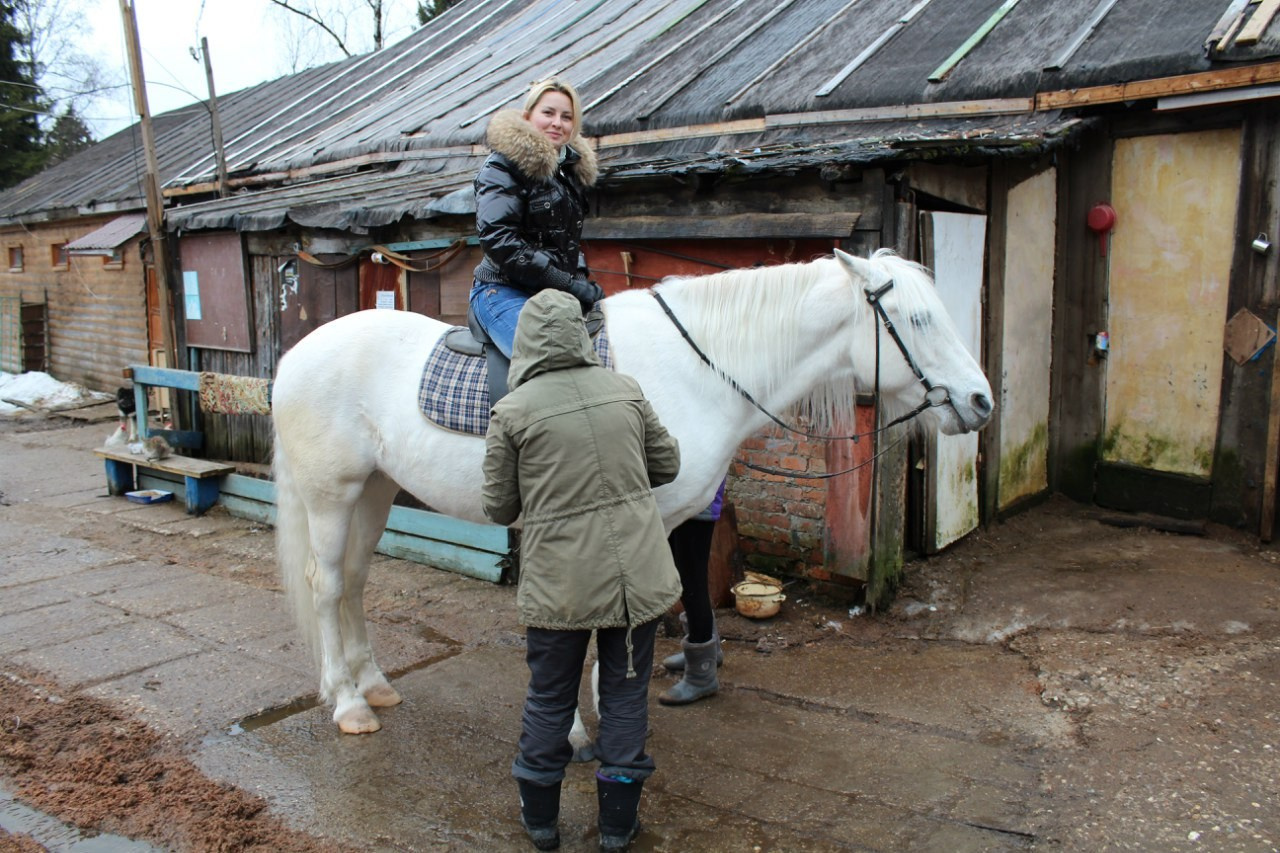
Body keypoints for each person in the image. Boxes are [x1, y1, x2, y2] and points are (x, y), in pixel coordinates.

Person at [482, 289, 682, 852]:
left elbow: (498, 506)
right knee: (624, 697)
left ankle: (542, 824)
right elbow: (667, 464)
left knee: (550, 697)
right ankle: (617, 828)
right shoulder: (625, 390)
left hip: (560, 584)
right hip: (635, 581)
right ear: (580, 333)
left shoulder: (512, 411)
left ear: (524, 340)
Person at [471, 77, 603, 358]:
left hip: (552, 295)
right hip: (503, 291)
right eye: (548, 113)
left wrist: (580, 279)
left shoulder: (567, 172)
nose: (557, 123)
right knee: (550, 361)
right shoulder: (502, 167)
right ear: (528, 116)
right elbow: (499, 240)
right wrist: (565, 282)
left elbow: (566, 240)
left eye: (566, 117)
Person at [658, 479, 727, 706]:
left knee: (691, 583)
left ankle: (701, 675)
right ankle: (708, 649)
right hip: (682, 498)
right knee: (686, 578)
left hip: (697, 500)